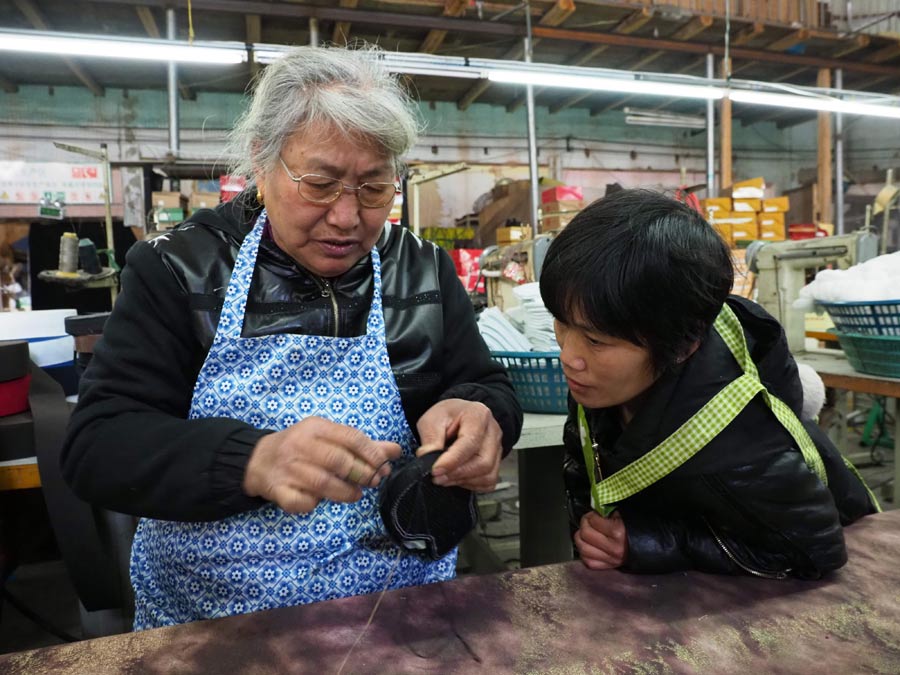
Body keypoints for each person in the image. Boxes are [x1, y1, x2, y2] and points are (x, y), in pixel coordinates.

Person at [61, 44, 522, 629]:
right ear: (262, 159)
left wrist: (483, 416)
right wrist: (255, 459)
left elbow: (486, 384)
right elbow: (97, 447)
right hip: (216, 625)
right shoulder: (178, 270)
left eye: (375, 187)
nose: (347, 217)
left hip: (400, 613)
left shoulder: (422, 270)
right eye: (321, 184)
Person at [539, 189, 877, 579]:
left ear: (682, 347)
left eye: (596, 340)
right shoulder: (606, 375)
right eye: (562, 322)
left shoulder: (741, 445)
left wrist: (650, 544)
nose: (568, 355)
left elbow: (816, 550)